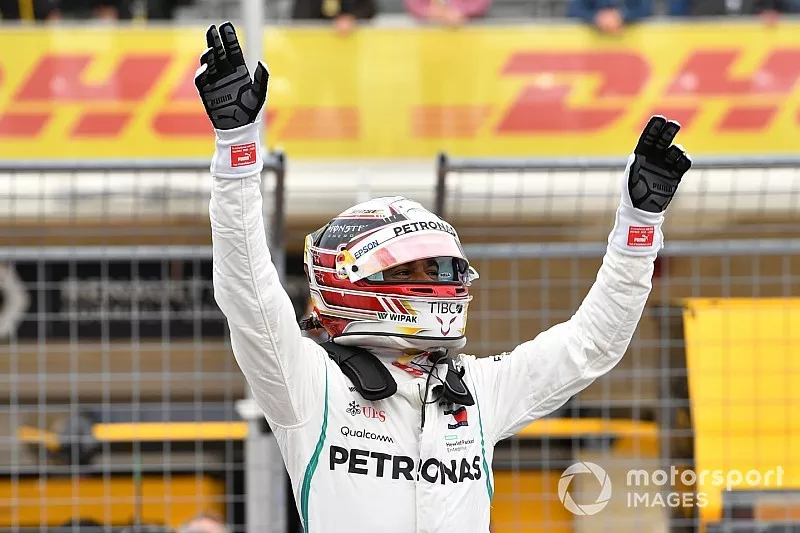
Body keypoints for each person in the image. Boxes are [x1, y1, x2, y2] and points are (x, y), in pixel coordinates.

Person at [194, 22, 692, 533]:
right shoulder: (308, 385)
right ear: (353, 280)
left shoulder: (476, 389)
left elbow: (593, 344)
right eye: (411, 269)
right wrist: (236, 149)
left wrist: (639, 224)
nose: (436, 283)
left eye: (439, 269)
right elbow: (247, 292)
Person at [566, 0, 653, 34]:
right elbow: (574, 10)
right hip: (593, 49)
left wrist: (622, 16)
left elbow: (646, 9)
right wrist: (597, 17)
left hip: (634, 46)